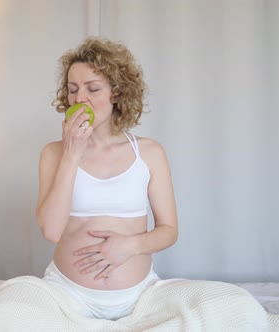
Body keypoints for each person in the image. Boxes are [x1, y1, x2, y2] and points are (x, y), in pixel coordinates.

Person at [36, 37, 178, 320]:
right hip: (65, 295)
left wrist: (128, 246)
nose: (79, 99)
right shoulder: (54, 153)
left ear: (116, 93)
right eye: (73, 89)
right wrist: (72, 154)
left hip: (140, 297)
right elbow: (51, 231)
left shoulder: (149, 152)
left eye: (93, 88)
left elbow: (169, 230)